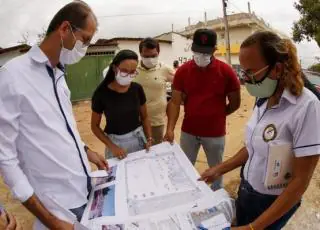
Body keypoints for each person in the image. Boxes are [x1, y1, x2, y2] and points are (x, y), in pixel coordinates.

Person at [0, 2, 108, 229]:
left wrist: (87, 152)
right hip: (57, 209)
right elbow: (5, 157)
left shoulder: (59, 77)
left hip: (84, 193)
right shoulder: (13, 76)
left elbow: (62, 129)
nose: (85, 48)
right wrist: (51, 221)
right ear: (65, 29)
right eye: (85, 40)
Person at [200, 31, 320, 229]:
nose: (245, 79)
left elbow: (300, 182)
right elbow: (253, 146)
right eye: (243, 72)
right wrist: (219, 169)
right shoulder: (263, 98)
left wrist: (253, 228)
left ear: (277, 69)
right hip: (247, 190)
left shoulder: (307, 107)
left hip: (273, 203)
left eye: (251, 72)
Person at [164, 28, 241, 190]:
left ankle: (216, 197)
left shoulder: (226, 72)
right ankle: (187, 193)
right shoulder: (183, 72)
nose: (201, 56)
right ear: (192, 48)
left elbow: (235, 103)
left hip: (215, 134)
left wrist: (218, 115)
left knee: (216, 170)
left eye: (206, 53)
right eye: (198, 51)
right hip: (188, 133)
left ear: (214, 50)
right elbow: (175, 103)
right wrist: (170, 129)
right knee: (185, 168)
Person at [91, 50, 152, 160]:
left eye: (132, 72)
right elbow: (94, 126)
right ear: (114, 68)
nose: (128, 75)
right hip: (116, 144)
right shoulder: (101, 93)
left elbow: (145, 117)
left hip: (139, 139)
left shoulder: (137, 89)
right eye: (124, 71)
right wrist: (112, 147)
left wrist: (149, 138)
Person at [133, 37, 175, 145]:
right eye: (146, 56)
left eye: (154, 55)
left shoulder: (165, 69)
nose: (150, 59)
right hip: (134, 123)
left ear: (158, 53)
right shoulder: (132, 69)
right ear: (140, 53)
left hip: (156, 123)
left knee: (155, 153)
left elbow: (180, 84)